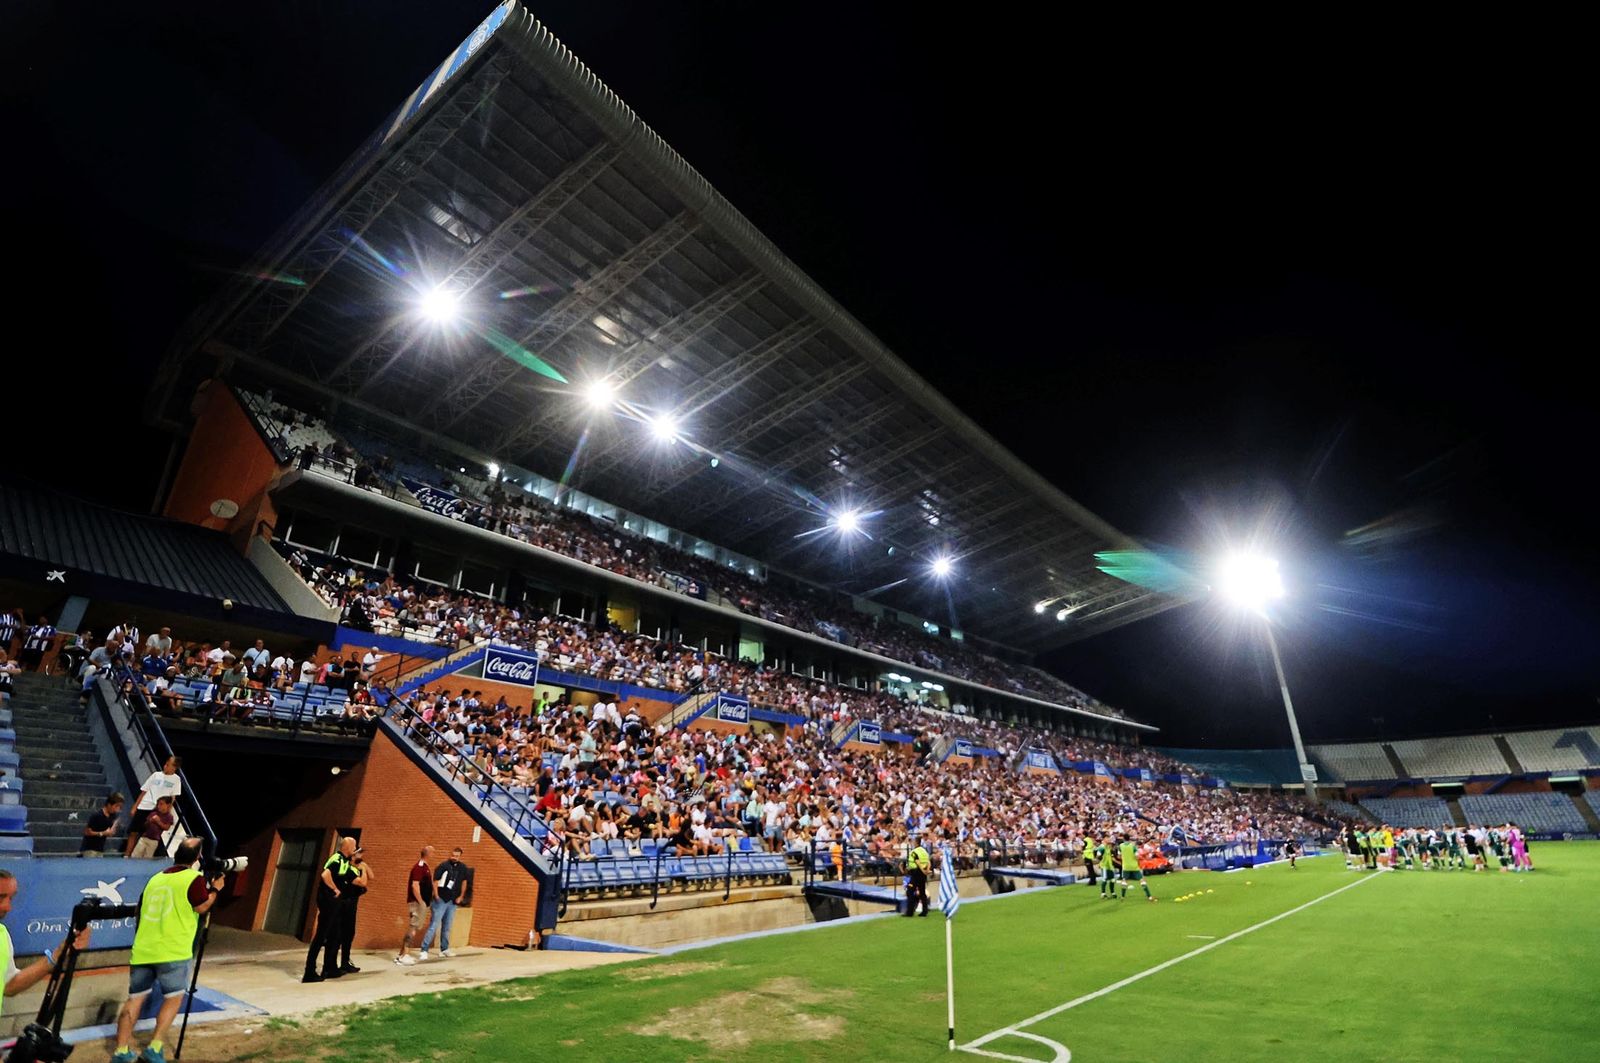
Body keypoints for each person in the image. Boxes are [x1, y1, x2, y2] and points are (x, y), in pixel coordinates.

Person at [112, 838, 226, 1063]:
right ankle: (155, 1048)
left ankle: (121, 1052)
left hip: (144, 949)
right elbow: (202, 906)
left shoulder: (156, 879)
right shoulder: (193, 879)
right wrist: (215, 889)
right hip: (174, 951)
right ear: (197, 858)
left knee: (134, 1000)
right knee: (173, 999)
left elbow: (139, 911)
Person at [1, 869, 93, 1014]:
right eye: (0, 898)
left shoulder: (2, 936)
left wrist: (58, 955)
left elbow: (9, 986)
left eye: (10, 898)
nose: (7, 907)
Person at [304, 837, 357, 982]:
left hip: (335, 902)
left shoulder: (345, 862)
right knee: (322, 935)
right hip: (328, 900)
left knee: (336, 934)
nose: (355, 849)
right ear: (347, 846)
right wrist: (334, 888)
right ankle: (309, 972)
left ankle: (330, 968)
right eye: (354, 846)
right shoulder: (336, 858)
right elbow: (325, 874)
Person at [126, 756, 184, 858]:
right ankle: (127, 856)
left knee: (148, 835)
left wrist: (166, 813)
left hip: (158, 810)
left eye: (169, 764)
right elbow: (144, 791)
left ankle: (141, 858)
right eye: (166, 763)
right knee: (133, 831)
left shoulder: (176, 780)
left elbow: (172, 798)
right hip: (144, 806)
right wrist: (135, 807)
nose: (165, 765)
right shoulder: (156, 775)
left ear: (174, 767)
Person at [419, 846, 468, 960]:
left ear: (460, 856)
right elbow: (435, 881)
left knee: (447, 926)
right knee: (434, 925)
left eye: (457, 856)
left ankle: (444, 949)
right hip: (441, 899)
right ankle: (424, 949)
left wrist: (461, 896)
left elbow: (464, 882)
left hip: (453, 900)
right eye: (453, 855)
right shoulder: (443, 866)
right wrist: (436, 895)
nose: (454, 857)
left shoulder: (463, 868)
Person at [396, 845, 435, 966]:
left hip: (422, 902)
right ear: (427, 853)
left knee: (413, 928)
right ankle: (405, 955)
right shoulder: (419, 867)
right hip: (417, 903)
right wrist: (421, 901)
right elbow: (415, 885)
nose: (433, 854)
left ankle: (401, 955)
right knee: (413, 928)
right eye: (432, 852)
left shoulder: (425, 867)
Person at [337, 847, 373, 974]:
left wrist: (365, 866)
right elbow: (363, 883)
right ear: (353, 855)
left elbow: (372, 876)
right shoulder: (349, 868)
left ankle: (345, 961)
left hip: (352, 904)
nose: (362, 856)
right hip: (346, 903)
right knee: (341, 934)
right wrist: (362, 870)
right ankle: (337, 963)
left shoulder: (358, 866)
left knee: (349, 933)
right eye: (359, 853)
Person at [80, 792, 125, 856]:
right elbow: (87, 832)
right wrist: (103, 833)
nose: (117, 809)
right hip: (89, 849)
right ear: (109, 805)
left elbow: (109, 832)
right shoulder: (97, 815)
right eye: (116, 806)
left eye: (120, 807)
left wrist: (111, 832)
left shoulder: (112, 816)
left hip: (100, 849)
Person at [1117, 836, 1154, 902]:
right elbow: (1137, 856)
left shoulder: (1120, 846)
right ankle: (1149, 896)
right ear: (1129, 839)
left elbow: (1119, 856)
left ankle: (1122, 897)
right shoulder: (1133, 846)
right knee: (1141, 880)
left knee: (1125, 881)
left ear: (1123, 839)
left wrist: (1125, 858)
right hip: (1134, 866)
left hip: (1125, 866)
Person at [902, 839, 930, 917]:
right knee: (922, 892)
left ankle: (910, 912)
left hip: (916, 873)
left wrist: (923, 871)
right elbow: (928, 862)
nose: (913, 843)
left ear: (916, 842)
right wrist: (926, 870)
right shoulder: (924, 851)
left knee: (910, 891)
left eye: (914, 842)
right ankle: (925, 911)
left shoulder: (914, 852)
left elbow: (917, 862)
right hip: (922, 874)